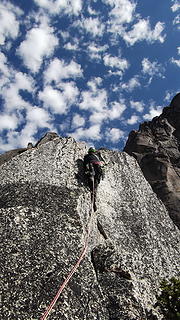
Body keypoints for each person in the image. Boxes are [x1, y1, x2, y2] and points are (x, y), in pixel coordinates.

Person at [84, 147, 104, 211]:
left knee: (92, 184)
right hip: (97, 172)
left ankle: (93, 197)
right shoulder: (96, 157)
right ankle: (93, 199)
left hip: (92, 171)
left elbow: (85, 164)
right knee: (94, 186)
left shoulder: (87, 156)